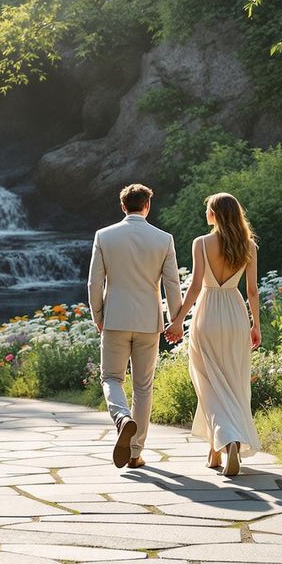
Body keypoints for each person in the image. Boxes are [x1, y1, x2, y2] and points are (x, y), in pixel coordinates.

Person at [164, 192, 262, 476]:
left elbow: (195, 286)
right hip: (235, 314)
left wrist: (178, 320)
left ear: (215, 214)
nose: (206, 212)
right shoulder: (249, 246)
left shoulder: (201, 243)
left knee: (207, 383)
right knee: (233, 382)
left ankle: (228, 441)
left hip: (207, 315)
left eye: (208, 209)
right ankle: (215, 450)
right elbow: (252, 291)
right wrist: (256, 325)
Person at [88, 184, 183, 469]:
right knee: (143, 387)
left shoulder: (104, 236)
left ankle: (121, 418)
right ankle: (135, 453)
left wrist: (98, 316)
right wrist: (175, 321)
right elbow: (172, 284)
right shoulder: (163, 239)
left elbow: (94, 282)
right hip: (148, 321)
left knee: (111, 379)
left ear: (122, 206)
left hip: (114, 319)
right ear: (147, 206)